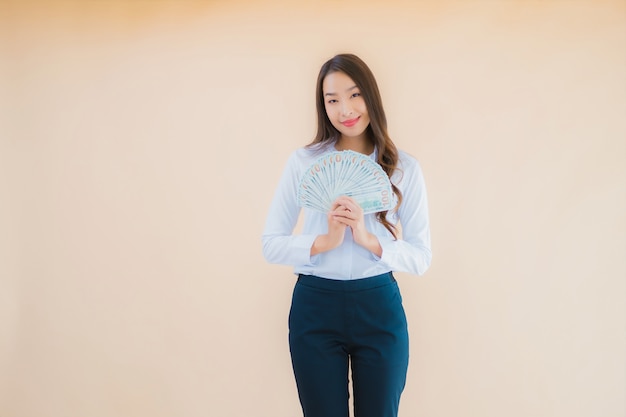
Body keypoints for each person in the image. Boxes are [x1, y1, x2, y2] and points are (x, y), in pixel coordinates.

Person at [261, 53, 431, 417]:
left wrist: (370, 240)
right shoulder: (303, 161)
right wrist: (325, 240)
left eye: (354, 95)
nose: (345, 109)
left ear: (371, 96)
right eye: (332, 100)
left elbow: (420, 257)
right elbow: (270, 244)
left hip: (379, 307)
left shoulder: (404, 168)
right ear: (322, 107)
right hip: (315, 307)